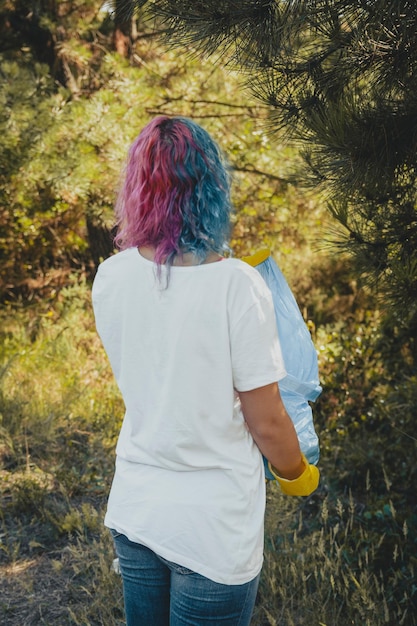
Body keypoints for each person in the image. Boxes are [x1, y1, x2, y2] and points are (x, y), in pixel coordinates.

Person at [92, 115, 319, 626]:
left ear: (136, 189)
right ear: (210, 187)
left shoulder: (110, 276)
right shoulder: (238, 285)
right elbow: (267, 421)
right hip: (213, 529)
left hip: (137, 508)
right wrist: (296, 474)